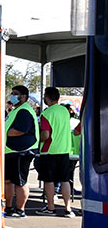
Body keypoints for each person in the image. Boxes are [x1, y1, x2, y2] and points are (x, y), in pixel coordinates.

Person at [38, 87, 75, 217]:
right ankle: (68, 208)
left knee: (49, 181)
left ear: (47, 97)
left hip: (49, 150)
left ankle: (51, 207)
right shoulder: (65, 111)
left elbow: (46, 135)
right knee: (65, 180)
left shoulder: (46, 114)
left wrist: (38, 136)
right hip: (64, 149)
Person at [4, 85, 38, 218]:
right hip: (11, 151)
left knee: (20, 181)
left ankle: (20, 210)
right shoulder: (15, 110)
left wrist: (7, 133)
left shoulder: (24, 110)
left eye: (15, 93)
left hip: (21, 152)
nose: (12, 96)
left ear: (23, 96)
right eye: (12, 93)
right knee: (8, 181)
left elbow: (20, 130)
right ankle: (8, 207)